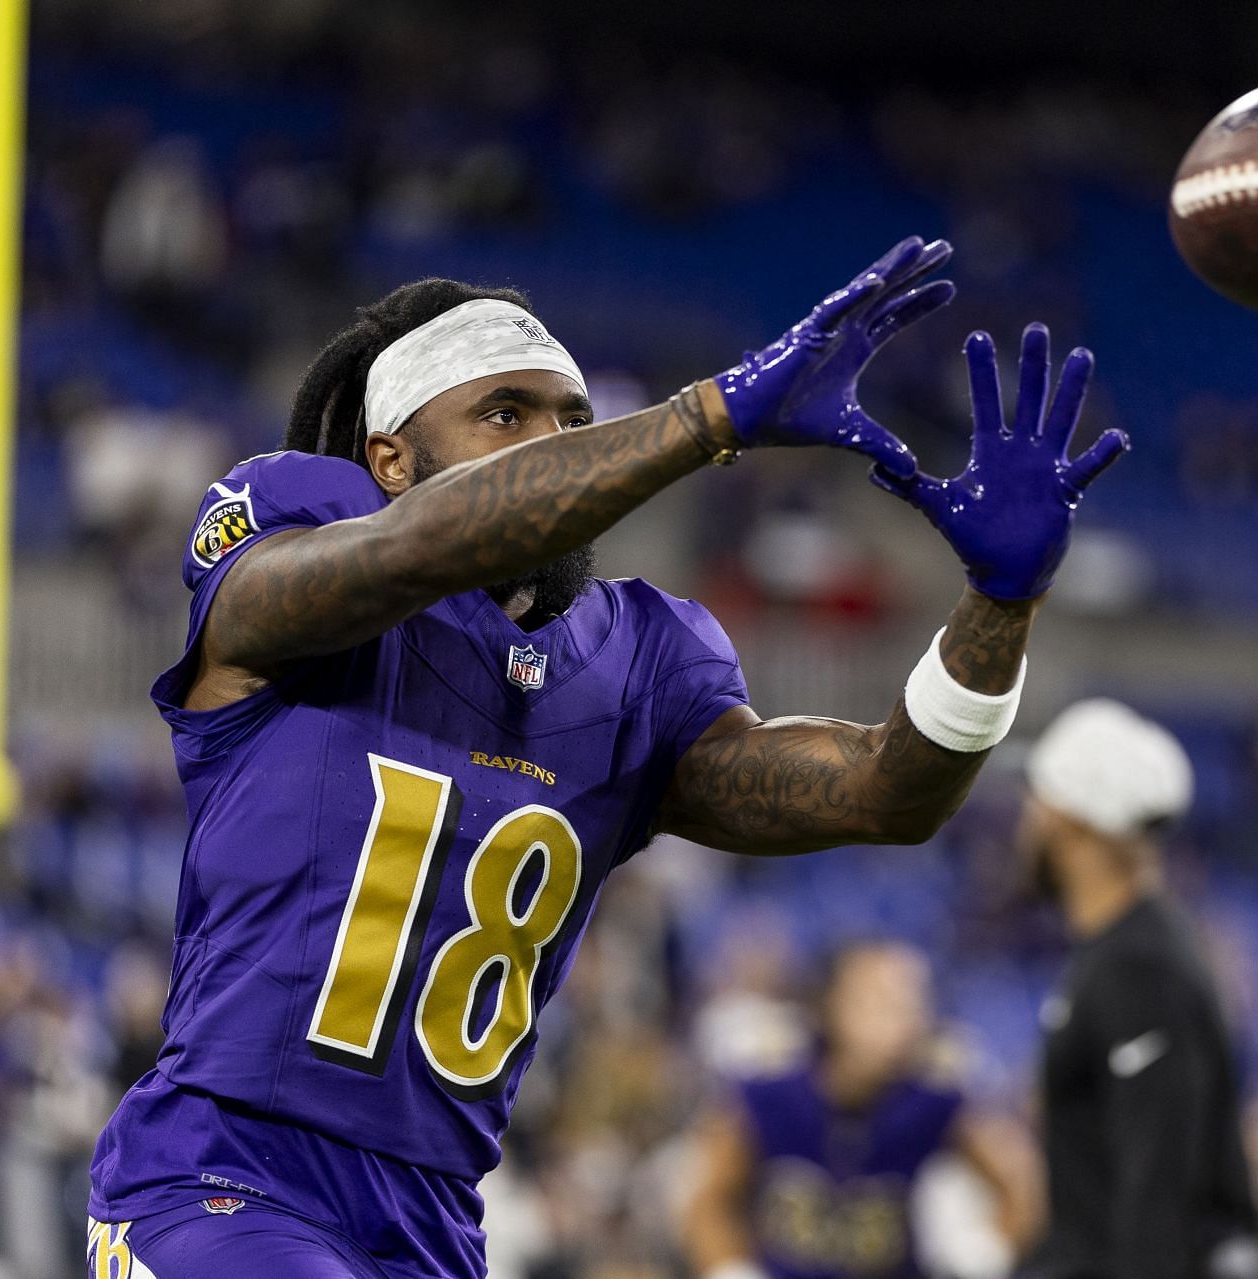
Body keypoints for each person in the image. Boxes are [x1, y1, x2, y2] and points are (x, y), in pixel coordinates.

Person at [83, 236, 1127, 1277]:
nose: (554, 439)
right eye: (505, 413)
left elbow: (884, 793)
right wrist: (707, 416)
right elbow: (418, 549)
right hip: (222, 1177)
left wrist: (999, 609)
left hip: (431, 1221)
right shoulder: (301, 534)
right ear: (390, 458)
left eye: (572, 418)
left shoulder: (637, 661)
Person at [1018, 700, 1258, 1279]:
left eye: (1035, 800)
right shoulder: (1116, 953)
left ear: (1066, 818)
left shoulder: (1140, 968)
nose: (1024, 821)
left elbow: (1160, 1191)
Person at [680, 940, 1042, 1279]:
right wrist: (731, 1270)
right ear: (830, 1005)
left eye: (912, 1002)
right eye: (881, 1001)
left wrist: (978, 1255)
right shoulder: (771, 1086)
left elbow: (1020, 1184)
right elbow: (709, 1202)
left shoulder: (935, 1095)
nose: (902, 1020)